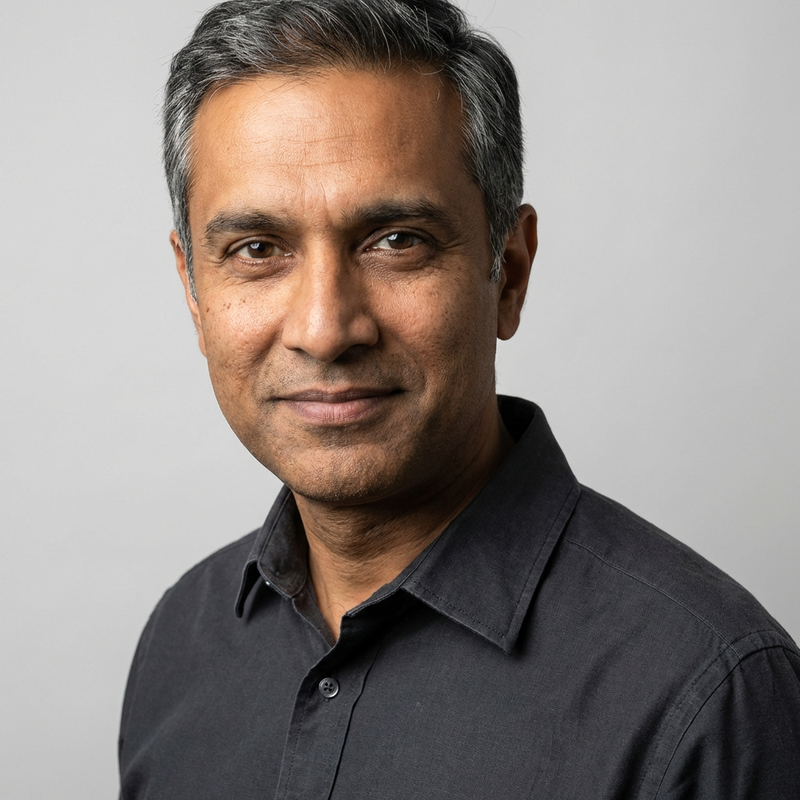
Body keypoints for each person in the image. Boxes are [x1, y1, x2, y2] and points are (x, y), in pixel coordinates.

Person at [118, 0, 800, 797]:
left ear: (507, 272)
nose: (326, 328)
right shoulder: (179, 645)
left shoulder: (710, 698)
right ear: (194, 292)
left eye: (396, 241)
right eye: (257, 249)